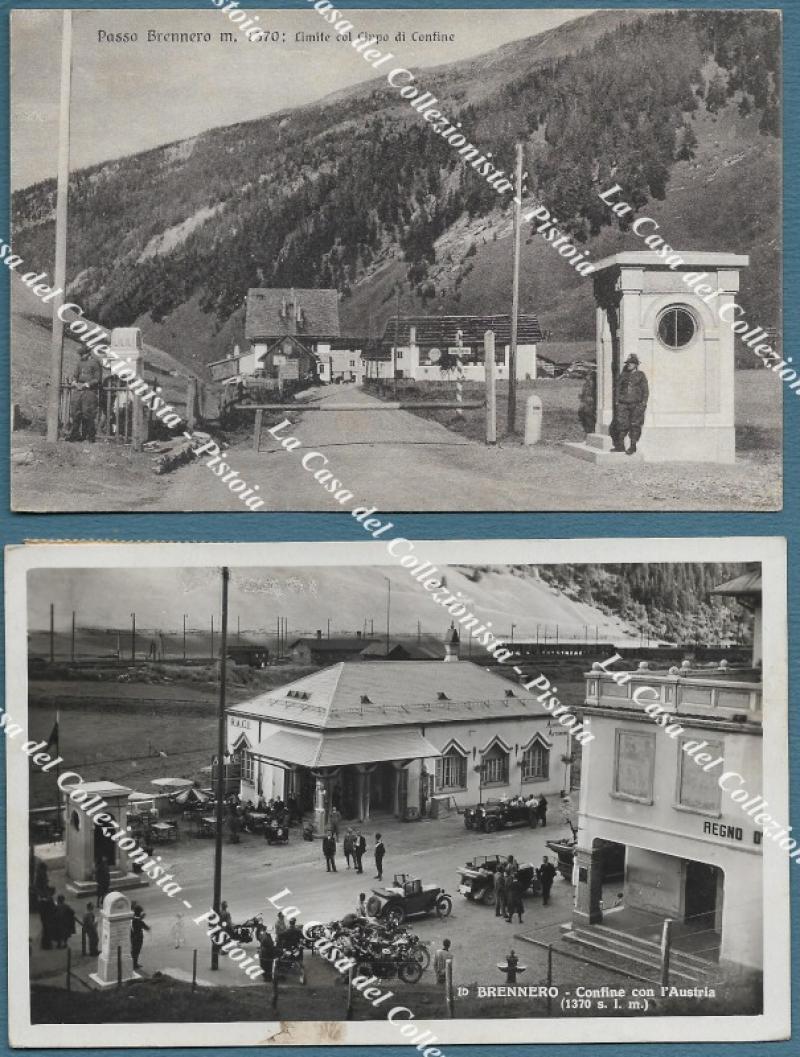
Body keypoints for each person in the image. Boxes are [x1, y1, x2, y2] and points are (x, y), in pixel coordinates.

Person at [611, 353, 649, 454]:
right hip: (623, 404)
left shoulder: (641, 375)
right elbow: (618, 389)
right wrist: (617, 402)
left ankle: (633, 446)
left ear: (636, 364)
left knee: (635, 425)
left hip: (636, 404)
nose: (629, 365)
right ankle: (620, 446)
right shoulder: (623, 375)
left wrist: (643, 403)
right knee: (621, 424)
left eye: (631, 363)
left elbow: (645, 390)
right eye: (628, 363)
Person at [67, 347, 101, 442]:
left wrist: (87, 384)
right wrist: (74, 382)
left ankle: (89, 437)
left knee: (88, 413)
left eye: (83, 354)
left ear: (88, 353)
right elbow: (75, 376)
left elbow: (97, 379)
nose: (81, 356)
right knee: (75, 413)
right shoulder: (79, 363)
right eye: (80, 354)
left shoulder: (95, 363)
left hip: (89, 391)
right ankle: (74, 435)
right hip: (78, 390)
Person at [130, 904, 150, 971]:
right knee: (136, 951)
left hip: (133, 936)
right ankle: (134, 964)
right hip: (137, 937)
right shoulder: (137, 921)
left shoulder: (133, 919)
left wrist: (141, 918)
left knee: (134, 951)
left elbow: (137, 919)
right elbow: (146, 927)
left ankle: (134, 963)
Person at [578, 370, 597, 435]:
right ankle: (586, 427)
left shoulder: (593, 384)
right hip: (584, 400)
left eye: (588, 375)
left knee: (588, 414)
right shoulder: (585, 384)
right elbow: (584, 392)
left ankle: (590, 429)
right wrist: (581, 396)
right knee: (581, 412)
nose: (586, 377)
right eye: (586, 376)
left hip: (590, 401)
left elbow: (594, 393)